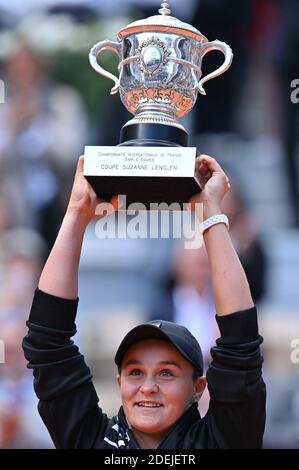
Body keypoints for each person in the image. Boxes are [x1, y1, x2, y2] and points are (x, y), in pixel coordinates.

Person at [22, 154, 266, 449]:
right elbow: (47, 345)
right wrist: (76, 213)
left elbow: (241, 346)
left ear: (198, 389)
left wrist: (210, 213)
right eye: (135, 372)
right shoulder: (93, 441)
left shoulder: (218, 441)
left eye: (166, 373)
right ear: (118, 383)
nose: (148, 388)